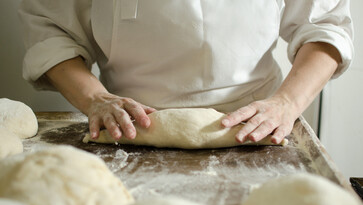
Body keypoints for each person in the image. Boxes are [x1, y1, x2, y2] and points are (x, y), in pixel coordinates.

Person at [18, 0, 353, 145]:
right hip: (127, 131)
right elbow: (52, 31)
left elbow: (325, 24)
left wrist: (287, 103)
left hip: (258, 130)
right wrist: (95, 98)